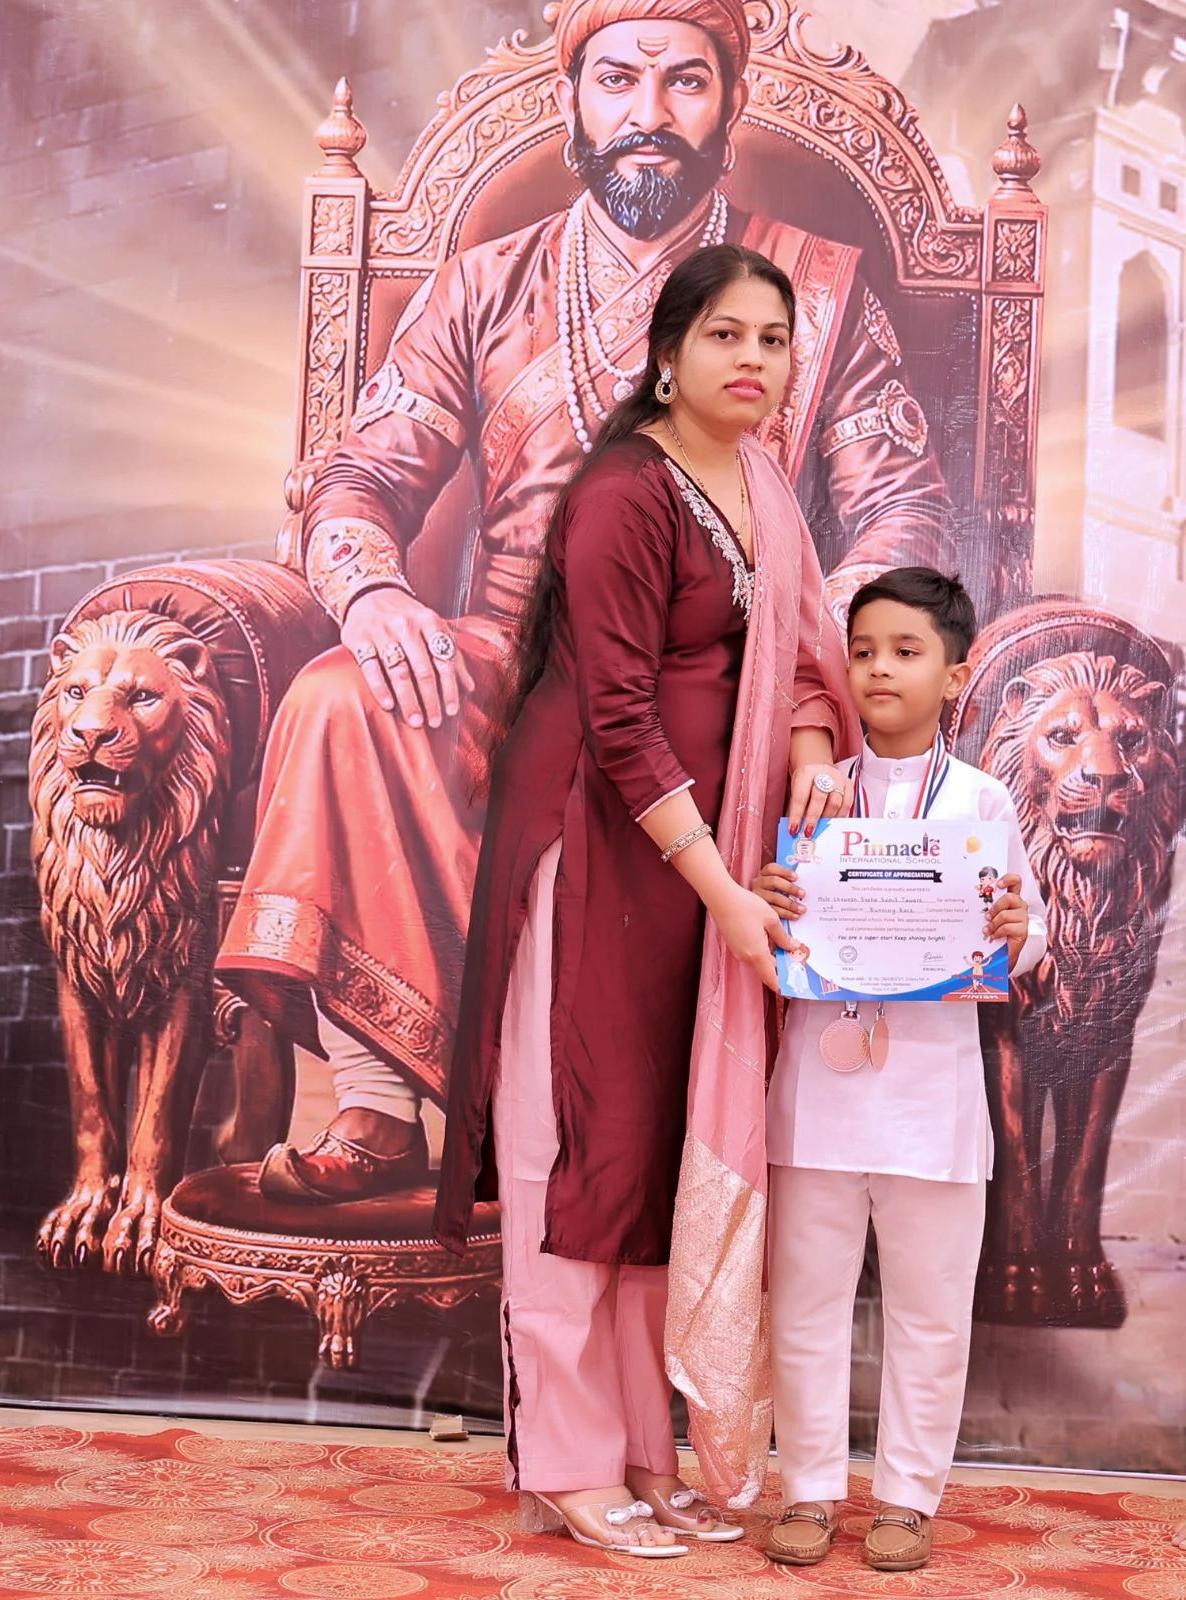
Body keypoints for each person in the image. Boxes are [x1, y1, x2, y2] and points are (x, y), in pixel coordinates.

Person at [214, 0, 950, 1203]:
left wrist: (810, 676)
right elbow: (359, 478)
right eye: (617, 81)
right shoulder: (482, 284)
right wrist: (376, 596)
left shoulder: (817, 292)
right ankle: (384, 1103)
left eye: (684, 82)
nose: (648, 113)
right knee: (343, 697)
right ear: (573, 102)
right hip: (512, 662)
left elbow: (901, 513)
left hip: (728, 675)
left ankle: (642, 1138)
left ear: (731, 103)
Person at [433, 244, 858, 1555]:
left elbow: (797, 657)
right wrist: (727, 890)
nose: (753, 359)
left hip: (690, 867)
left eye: (773, 339)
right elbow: (617, 718)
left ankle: (639, 1448)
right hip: (596, 841)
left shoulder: (763, 486)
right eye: (725, 334)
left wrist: (807, 751)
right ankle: (567, 1457)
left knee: (646, 1157)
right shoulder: (626, 492)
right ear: (669, 353)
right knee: (572, 1149)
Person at [749, 567, 1047, 1571]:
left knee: (930, 1316)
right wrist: (773, 899)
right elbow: (767, 929)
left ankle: (910, 1498)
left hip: (933, 1105)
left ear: (955, 674)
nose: (880, 668)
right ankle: (808, 1489)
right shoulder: (812, 790)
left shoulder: (981, 799)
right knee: (805, 1306)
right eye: (864, 650)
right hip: (816, 1100)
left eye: (906, 651)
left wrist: (1017, 929)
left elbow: (1029, 934)